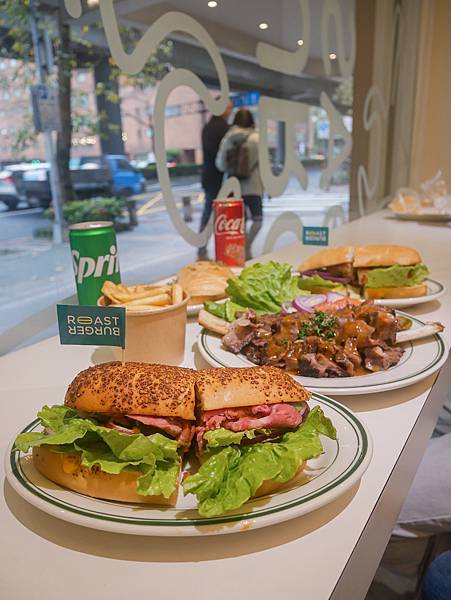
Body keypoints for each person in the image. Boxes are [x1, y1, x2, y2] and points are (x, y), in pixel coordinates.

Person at [215, 108, 263, 260]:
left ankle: (242, 248)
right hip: (254, 186)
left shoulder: (228, 138)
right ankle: (247, 246)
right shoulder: (258, 138)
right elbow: (265, 165)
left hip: (234, 187)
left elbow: (220, 164)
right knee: (258, 220)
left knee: (238, 224)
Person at [198, 99, 233, 259]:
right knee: (226, 214)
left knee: (209, 212)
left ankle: (202, 246)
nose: (231, 109)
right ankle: (226, 249)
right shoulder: (225, 129)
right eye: (228, 106)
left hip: (209, 177)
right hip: (222, 178)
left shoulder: (207, 128)